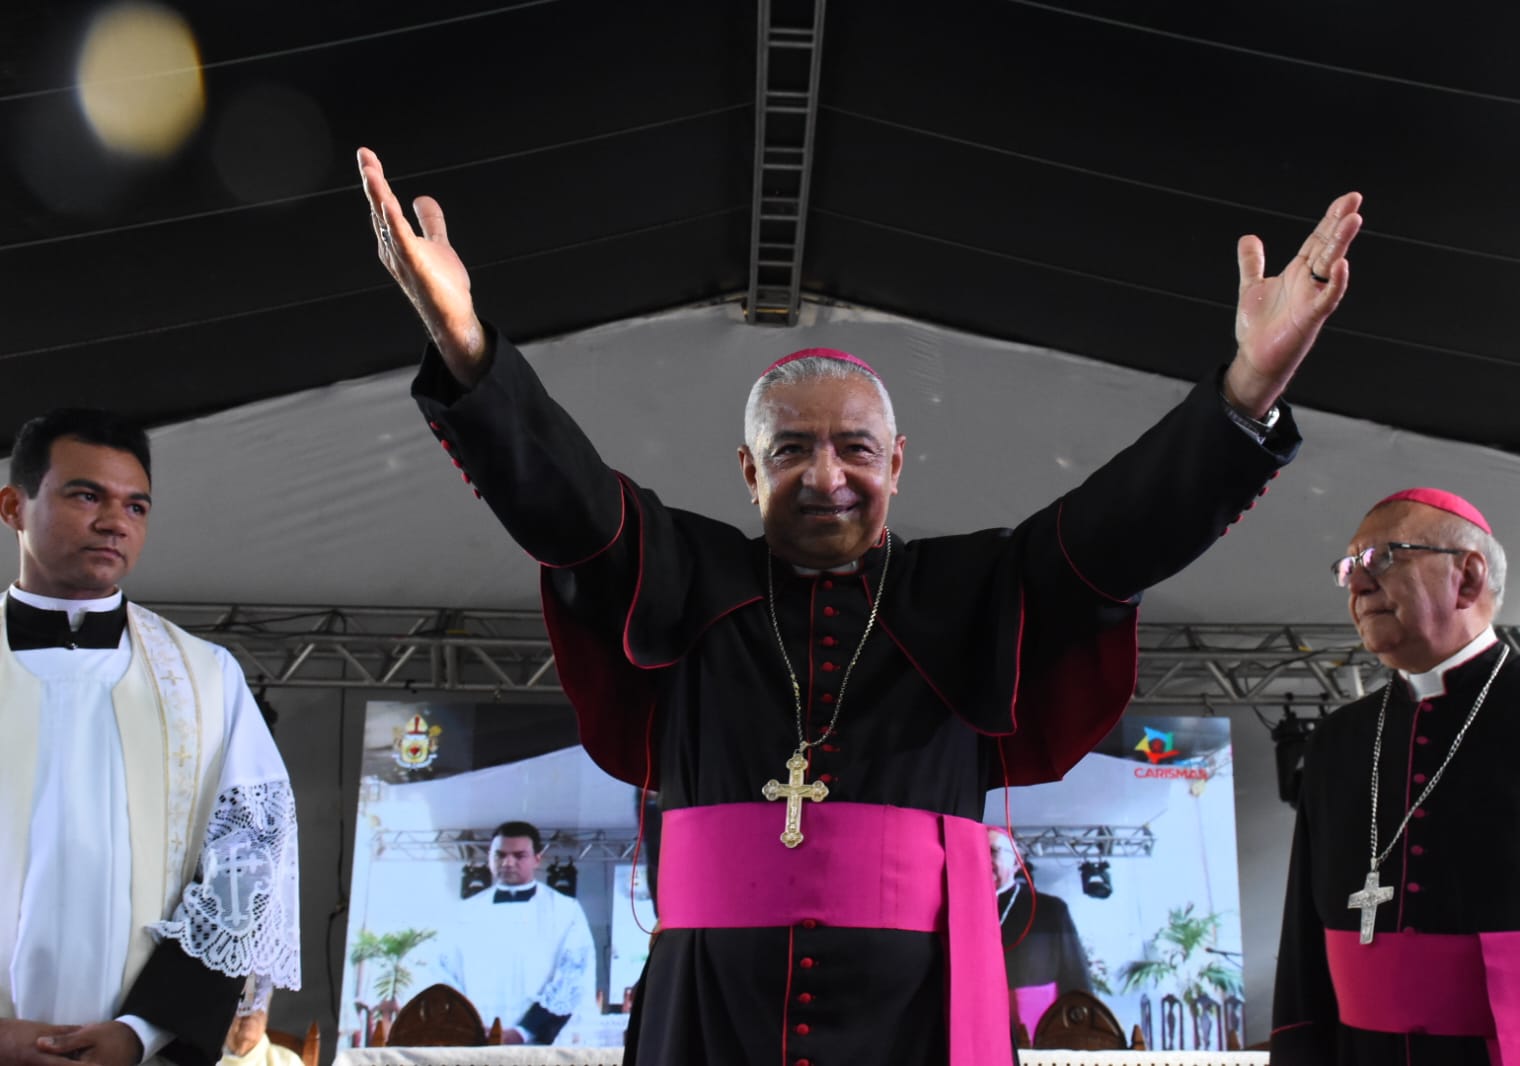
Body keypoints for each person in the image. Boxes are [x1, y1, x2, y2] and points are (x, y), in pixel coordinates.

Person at [357, 145, 1361, 1066]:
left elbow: (1120, 528)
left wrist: (1247, 387)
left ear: (899, 464)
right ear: (748, 468)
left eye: (856, 449)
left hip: (924, 1011)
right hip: (709, 1013)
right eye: (791, 449)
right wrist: (467, 342)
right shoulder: (684, 574)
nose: (826, 474)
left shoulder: (972, 591)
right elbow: (565, 498)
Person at [0, 410, 300, 1066]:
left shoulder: (204, 678)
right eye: (86, 495)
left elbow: (249, 868)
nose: (115, 522)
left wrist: (143, 1030)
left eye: (136, 506)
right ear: (13, 506)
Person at [1270, 488, 1520, 1066]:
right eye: (1349, 567)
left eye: (1382, 558)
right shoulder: (1336, 741)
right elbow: (1303, 939)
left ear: (1468, 578)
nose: (1357, 584)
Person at [438, 822, 596, 1045]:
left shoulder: (565, 910)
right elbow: (444, 973)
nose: (508, 862)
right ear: (489, 857)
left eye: (519, 855)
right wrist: (470, 1026)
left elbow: (573, 975)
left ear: (537, 859)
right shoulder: (464, 911)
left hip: (538, 1042)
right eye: (500, 855)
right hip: (476, 1038)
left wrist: (523, 1032)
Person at [989, 830, 1092, 1044]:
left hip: (1036, 1035)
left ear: (1017, 862)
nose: (983, 860)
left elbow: (1076, 979)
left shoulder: (1050, 910)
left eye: (992, 852)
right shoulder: (957, 908)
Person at [217, 982, 302, 1066]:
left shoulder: (288, 1062)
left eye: (259, 1001)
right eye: (242, 1000)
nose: (250, 1011)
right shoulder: (206, 1057)